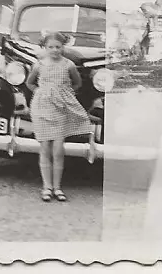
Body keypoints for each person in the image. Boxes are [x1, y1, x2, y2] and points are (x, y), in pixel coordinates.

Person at [26, 32, 94, 202]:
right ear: (45, 48)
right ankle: (46, 187)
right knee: (44, 149)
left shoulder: (68, 64)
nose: (55, 50)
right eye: (51, 47)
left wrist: (66, 93)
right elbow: (29, 82)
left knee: (58, 150)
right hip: (42, 108)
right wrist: (40, 92)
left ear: (63, 47)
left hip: (60, 109)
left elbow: (77, 83)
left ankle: (57, 187)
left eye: (58, 47)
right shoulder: (39, 65)